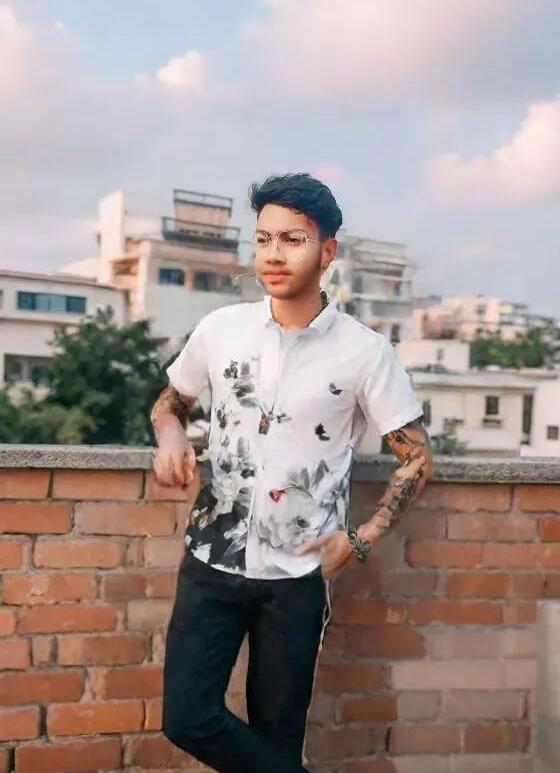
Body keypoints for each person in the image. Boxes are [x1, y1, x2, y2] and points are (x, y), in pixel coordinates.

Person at [150, 173, 433, 773]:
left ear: (327, 251)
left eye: (293, 240)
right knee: (187, 717)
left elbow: (415, 456)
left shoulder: (365, 352)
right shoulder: (221, 329)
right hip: (211, 559)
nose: (274, 255)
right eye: (263, 239)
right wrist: (170, 436)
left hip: (298, 576)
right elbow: (169, 403)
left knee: (276, 741)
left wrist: (363, 538)